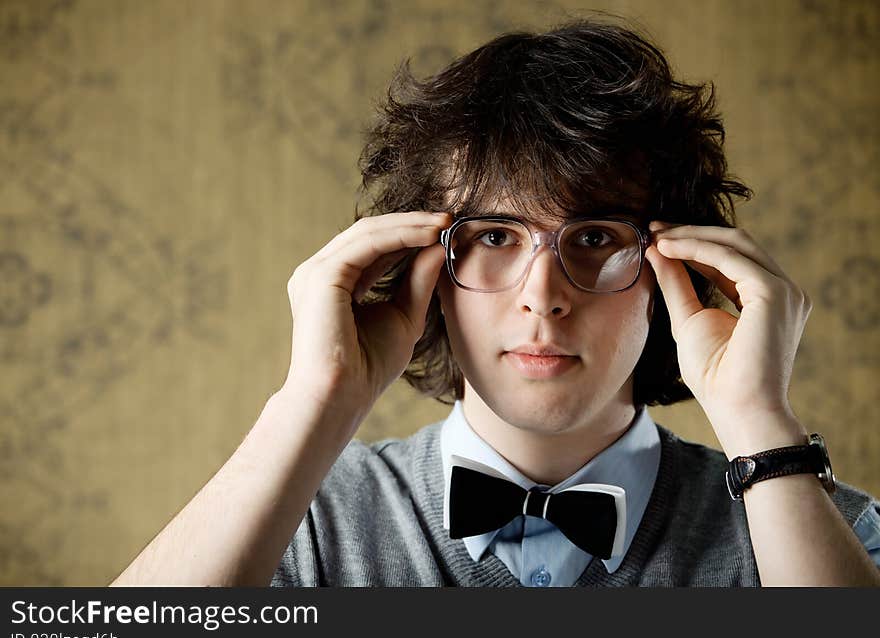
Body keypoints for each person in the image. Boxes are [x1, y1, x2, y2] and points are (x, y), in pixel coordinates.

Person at [111, 18, 880, 587]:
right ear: (425, 267)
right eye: (493, 237)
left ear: (673, 267)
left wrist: (760, 423)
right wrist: (313, 398)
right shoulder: (294, 518)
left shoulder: (822, 529)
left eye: (593, 237)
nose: (541, 298)